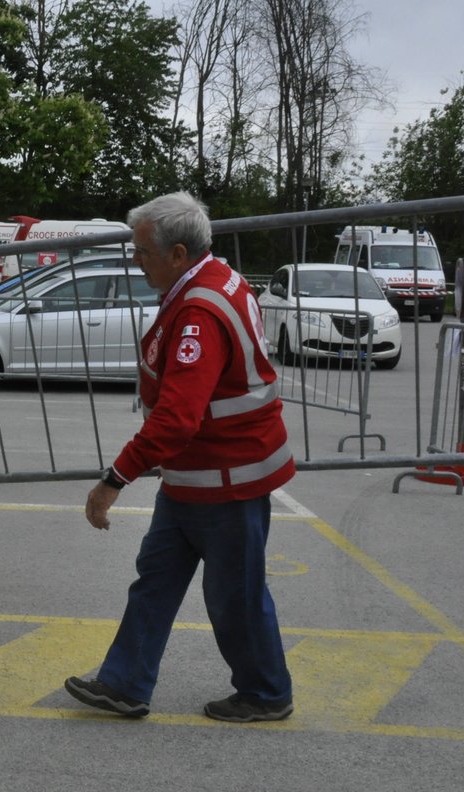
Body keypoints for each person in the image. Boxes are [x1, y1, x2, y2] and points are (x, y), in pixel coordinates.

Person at [63, 191, 295, 723]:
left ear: (179, 253)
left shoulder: (199, 311)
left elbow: (177, 417)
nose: (135, 260)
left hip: (227, 476)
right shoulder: (211, 280)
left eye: (142, 251)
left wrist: (113, 479)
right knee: (156, 577)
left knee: (233, 595)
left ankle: (266, 693)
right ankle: (124, 683)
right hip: (200, 471)